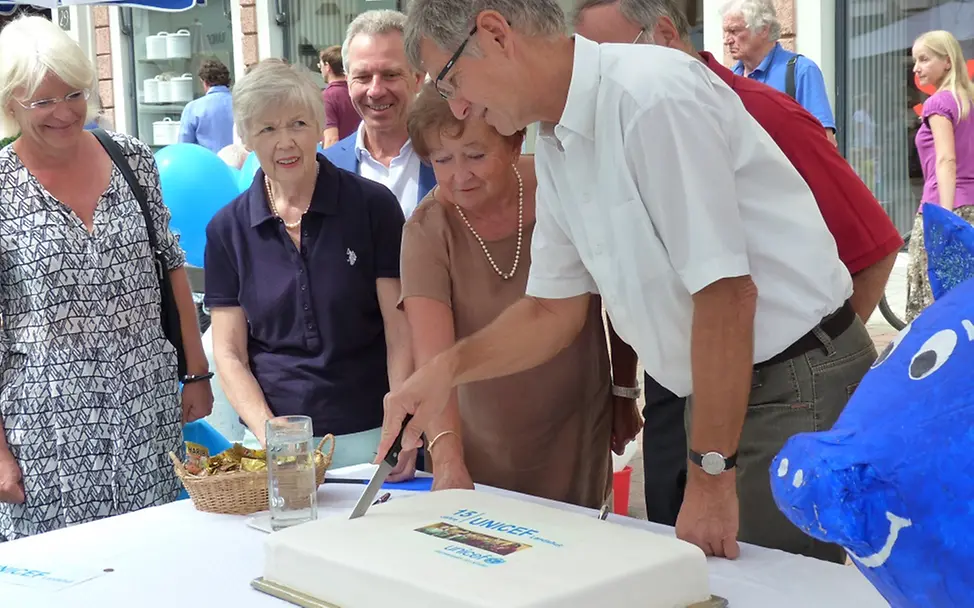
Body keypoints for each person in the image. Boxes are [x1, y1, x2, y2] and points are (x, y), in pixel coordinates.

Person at [377, 0, 876, 564]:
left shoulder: (649, 97)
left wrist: (711, 475)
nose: (460, 104)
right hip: (728, 385)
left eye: (451, 79)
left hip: (788, 381)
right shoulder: (559, 138)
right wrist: (447, 370)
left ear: (494, 34)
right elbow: (550, 310)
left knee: (769, 591)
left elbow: (725, 295)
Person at [572, 0, 901, 529]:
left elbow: (875, 246)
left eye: (604, 57)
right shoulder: (603, 129)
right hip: (681, 383)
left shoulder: (761, 110)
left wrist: (797, 361)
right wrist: (626, 386)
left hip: (769, 383)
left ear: (662, 35)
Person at [0, 16, 213, 541]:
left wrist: (197, 369)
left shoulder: (132, 158)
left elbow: (170, 266)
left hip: (147, 407)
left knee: (156, 557)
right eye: (42, 101)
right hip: (48, 428)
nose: (64, 112)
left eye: (74, 93)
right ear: (9, 103)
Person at [400, 81, 641, 507]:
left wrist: (624, 391)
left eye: (475, 155)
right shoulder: (426, 230)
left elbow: (618, 300)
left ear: (513, 144)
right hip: (481, 434)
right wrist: (448, 458)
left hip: (576, 421)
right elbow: (433, 356)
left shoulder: (561, 191)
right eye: (442, 159)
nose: (460, 175)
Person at [203, 60, 415, 475]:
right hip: (275, 442)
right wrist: (271, 436)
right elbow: (228, 353)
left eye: (298, 123)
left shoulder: (373, 207)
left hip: (372, 435)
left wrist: (401, 423)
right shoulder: (227, 229)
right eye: (267, 129)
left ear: (319, 126)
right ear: (247, 138)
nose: (285, 142)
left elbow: (400, 328)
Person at [322, 10, 435, 219]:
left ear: (418, 78)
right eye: (363, 77)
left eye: (390, 75)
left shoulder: (453, 158)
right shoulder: (324, 168)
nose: (375, 90)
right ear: (347, 82)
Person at [905, 30, 974, 322]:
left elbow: (946, 159)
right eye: (915, 60)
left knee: (932, 306)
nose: (916, 67)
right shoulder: (967, 101)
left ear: (947, 62)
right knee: (964, 301)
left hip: (945, 207)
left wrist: (944, 219)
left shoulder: (938, 103)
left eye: (924, 59)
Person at [719, 0, 836, 144]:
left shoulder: (800, 71)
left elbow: (825, 143)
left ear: (763, 29)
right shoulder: (728, 80)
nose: (726, 40)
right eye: (725, 32)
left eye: (734, 31)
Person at [178, 58, 235, 154]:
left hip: (207, 166)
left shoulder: (193, 108)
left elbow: (184, 148)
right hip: (239, 165)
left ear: (204, 81)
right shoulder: (241, 103)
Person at [319, 44, 361, 147]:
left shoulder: (327, 97)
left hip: (341, 158)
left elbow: (331, 140)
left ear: (327, 66)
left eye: (320, 66)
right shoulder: (358, 91)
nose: (320, 70)